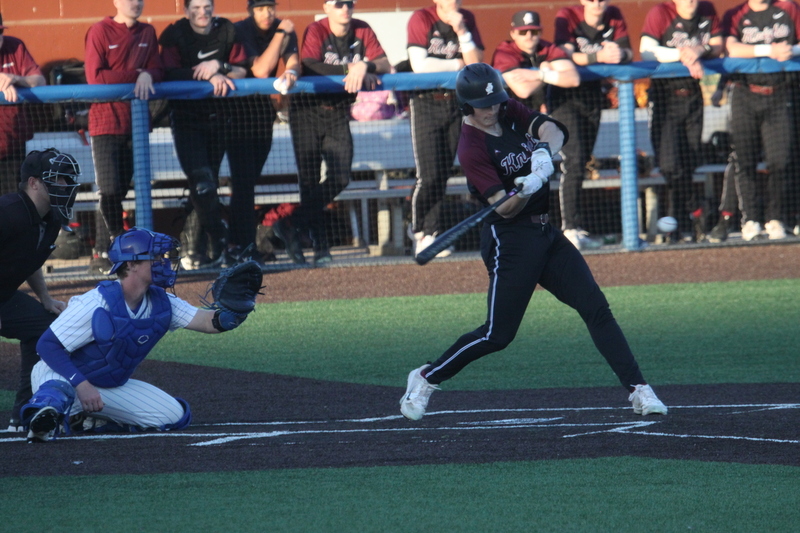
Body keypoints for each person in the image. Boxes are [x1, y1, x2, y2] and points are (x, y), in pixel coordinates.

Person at [399, 63, 667, 421]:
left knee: (596, 308)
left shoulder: (507, 109)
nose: (493, 109)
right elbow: (506, 209)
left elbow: (554, 130)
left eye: (496, 101)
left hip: (546, 233)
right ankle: (426, 377)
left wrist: (542, 154)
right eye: (484, 105)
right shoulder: (471, 147)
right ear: (466, 105)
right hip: (509, 239)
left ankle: (639, 390)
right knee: (498, 334)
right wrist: (526, 188)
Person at [18, 227, 254, 443]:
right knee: (55, 395)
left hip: (106, 386)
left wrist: (236, 311)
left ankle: (93, 420)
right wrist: (81, 384)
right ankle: (42, 421)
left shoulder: (163, 302)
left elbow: (208, 323)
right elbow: (47, 345)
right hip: (61, 375)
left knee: (173, 416)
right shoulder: (95, 302)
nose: (164, 263)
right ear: (130, 264)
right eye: (155, 258)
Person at [287, 0, 390, 264]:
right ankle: (320, 248)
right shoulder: (316, 29)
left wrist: (364, 66)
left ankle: (289, 225)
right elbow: (309, 64)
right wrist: (351, 69)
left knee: (341, 176)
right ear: (327, 7)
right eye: (338, 3)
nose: (345, 8)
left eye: (349, 3)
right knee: (309, 183)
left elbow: (385, 63)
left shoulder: (362, 29)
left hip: (337, 112)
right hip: (306, 111)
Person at [159, 0, 248, 270]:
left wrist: (218, 66)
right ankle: (220, 242)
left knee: (207, 188)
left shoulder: (226, 31)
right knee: (203, 184)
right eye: (196, 7)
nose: (202, 12)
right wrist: (207, 77)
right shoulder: (175, 34)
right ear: (185, 11)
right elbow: (169, 72)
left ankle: (195, 252)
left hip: (219, 120)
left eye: (207, 6)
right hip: (187, 121)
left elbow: (243, 69)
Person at [0, 148, 81, 431]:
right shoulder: (8, 212)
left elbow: (29, 256)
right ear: (34, 182)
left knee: (44, 327)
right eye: (58, 179)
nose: (66, 185)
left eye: (68, 179)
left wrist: (44, 297)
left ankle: (22, 415)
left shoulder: (51, 219)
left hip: (5, 298)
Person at [84, 0, 163, 274]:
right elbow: (96, 77)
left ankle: (115, 248)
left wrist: (148, 74)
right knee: (108, 189)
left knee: (124, 188)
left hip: (136, 125)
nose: (135, 3)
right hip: (105, 124)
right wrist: (138, 75)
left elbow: (158, 69)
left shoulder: (147, 32)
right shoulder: (99, 31)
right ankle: (104, 251)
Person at [552, 0, 634, 250]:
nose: (597, 3)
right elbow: (563, 53)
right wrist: (598, 56)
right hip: (564, 96)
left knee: (583, 159)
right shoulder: (568, 15)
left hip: (593, 97)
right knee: (574, 160)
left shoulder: (614, 16)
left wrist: (620, 55)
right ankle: (569, 229)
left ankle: (576, 227)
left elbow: (629, 53)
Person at [405, 0, 484, 259]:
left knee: (443, 172)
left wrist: (462, 31)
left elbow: (477, 64)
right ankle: (418, 230)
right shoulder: (422, 18)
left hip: (456, 102)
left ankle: (433, 232)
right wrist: (456, 65)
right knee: (428, 174)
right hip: (426, 101)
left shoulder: (467, 19)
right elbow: (420, 65)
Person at [640, 0, 723, 243]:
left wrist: (697, 51)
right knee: (670, 166)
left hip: (693, 97)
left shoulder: (707, 11)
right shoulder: (660, 12)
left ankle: (677, 227)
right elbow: (646, 51)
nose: (691, 2)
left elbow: (717, 45)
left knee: (688, 164)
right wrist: (682, 54)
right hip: (665, 98)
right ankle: (697, 209)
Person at [722, 0, 800, 241]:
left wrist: (791, 50)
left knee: (781, 160)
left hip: (780, 92)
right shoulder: (736, 14)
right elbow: (731, 48)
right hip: (745, 92)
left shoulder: (788, 8)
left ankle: (776, 218)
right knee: (745, 160)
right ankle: (751, 220)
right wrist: (769, 50)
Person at [234, 0, 302, 263]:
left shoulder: (283, 27)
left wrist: (293, 71)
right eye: (261, 8)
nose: (267, 13)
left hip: (263, 113)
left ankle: (250, 242)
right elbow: (261, 69)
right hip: (236, 114)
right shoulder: (242, 29)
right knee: (242, 183)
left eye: (270, 7)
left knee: (250, 181)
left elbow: (293, 61)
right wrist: (281, 34)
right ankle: (242, 245)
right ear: (251, 10)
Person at [491, 10, 580, 114]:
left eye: (534, 31)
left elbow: (573, 79)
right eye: (523, 32)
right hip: (508, 114)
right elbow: (523, 90)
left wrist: (541, 74)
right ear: (513, 34)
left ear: (541, 32)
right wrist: (550, 73)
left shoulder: (548, 48)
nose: (529, 36)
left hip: (541, 113)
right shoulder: (505, 51)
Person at [0, 13, 47, 196]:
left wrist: (15, 79)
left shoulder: (15, 46)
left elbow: (39, 80)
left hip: (12, 146)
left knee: (12, 207)